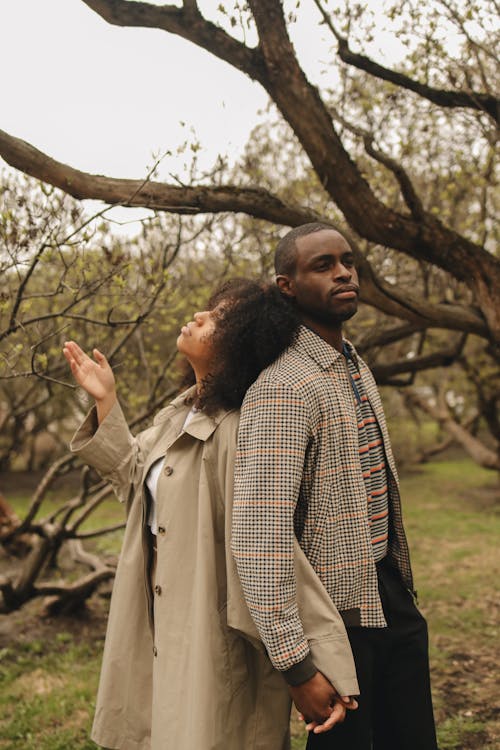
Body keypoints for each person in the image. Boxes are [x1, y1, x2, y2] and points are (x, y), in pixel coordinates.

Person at [63, 278, 358, 750]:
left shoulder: (240, 430)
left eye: (216, 317)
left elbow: (270, 546)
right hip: (161, 614)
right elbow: (133, 476)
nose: (199, 316)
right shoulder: (178, 413)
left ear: (240, 341)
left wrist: (316, 663)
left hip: (212, 628)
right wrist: (106, 402)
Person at [232, 225, 438, 750]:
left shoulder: (353, 364)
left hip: (387, 592)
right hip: (335, 618)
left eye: (348, 261)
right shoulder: (283, 388)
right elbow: (260, 539)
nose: (344, 272)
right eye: (322, 265)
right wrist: (297, 665)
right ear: (287, 286)